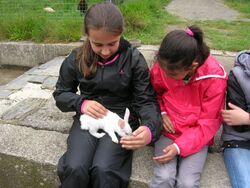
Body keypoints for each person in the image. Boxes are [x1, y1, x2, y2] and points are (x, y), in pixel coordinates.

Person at [53, 2, 162, 188]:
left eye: (112, 43)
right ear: (87, 36)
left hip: (122, 120)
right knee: (74, 167)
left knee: (104, 170)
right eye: (98, 44)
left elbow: (146, 100)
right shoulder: (76, 58)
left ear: (121, 34)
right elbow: (61, 94)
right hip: (89, 118)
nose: (105, 51)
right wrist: (81, 103)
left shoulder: (133, 59)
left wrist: (150, 130)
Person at [149, 25, 227, 188]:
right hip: (168, 132)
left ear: (192, 66)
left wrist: (179, 147)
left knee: (188, 183)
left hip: (198, 135)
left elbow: (209, 122)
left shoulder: (214, 78)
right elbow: (155, 94)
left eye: (171, 74)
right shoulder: (166, 64)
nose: (165, 74)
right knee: (163, 177)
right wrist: (162, 113)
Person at [221, 50, 250, 188]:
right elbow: (237, 124)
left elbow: (244, 119)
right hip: (239, 140)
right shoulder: (238, 74)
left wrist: (248, 118)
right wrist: (244, 119)